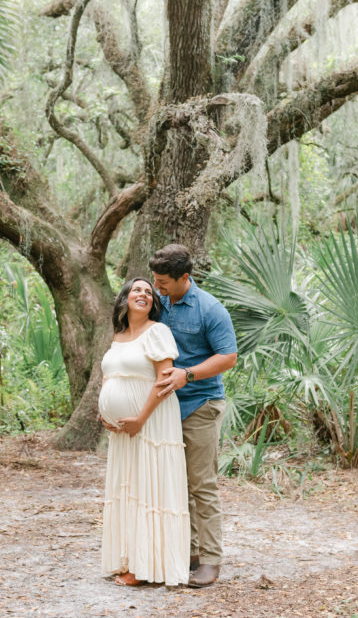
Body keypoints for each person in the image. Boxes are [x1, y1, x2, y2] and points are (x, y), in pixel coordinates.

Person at [150, 244, 238, 588]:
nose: (158, 287)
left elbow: (228, 357)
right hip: (166, 409)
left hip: (201, 404)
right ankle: (190, 553)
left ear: (185, 278)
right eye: (156, 281)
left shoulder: (210, 309)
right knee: (178, 485)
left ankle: (211, 561)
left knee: (202, 485)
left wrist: (187, 374)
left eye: (163, 282)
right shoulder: (161, 304)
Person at [97, 278, 190, 587]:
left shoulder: (157, 331)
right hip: (124, 431)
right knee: (127, 488)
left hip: (151, 422)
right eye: (136, 289)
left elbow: (165, 380)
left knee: (147, 487)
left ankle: (144, 567)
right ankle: (128, 558)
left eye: (149, 292)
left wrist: (139, 417)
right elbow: (109, 376)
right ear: (125, 299)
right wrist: (105, 413)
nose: (143, 294)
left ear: (153, 303)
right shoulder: (119, 335)